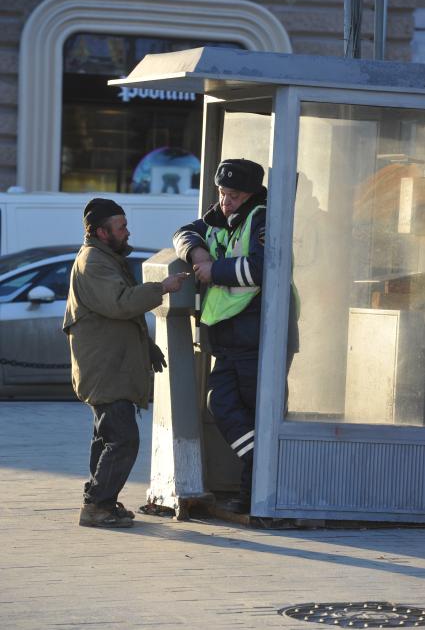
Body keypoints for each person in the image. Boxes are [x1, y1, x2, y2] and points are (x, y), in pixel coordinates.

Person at [173, 159, 299, 513]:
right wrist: (196, 251)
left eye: (233, 195)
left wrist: (215, 270)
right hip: (233, 340)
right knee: (226, 406)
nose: (225, 202)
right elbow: (184, 232)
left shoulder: (262, 217)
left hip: (259, 338)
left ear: (251, 194)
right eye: (222, 193)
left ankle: (259, 483)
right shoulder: (223, 216)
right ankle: (260, 473)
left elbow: (264, 267)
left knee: (252, 413)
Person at [63, 197, 188, 528]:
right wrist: (162, 287)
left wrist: (146, 347)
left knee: (106, 438)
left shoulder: (105, 258)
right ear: (102, 232)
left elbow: (117, 318)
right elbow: (120, 304)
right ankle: (97, 506)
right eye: (121, 227)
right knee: (123, 440)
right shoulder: (94, 262)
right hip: (105, 370)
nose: (127, 232)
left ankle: (100, 499)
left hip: (109, 366)